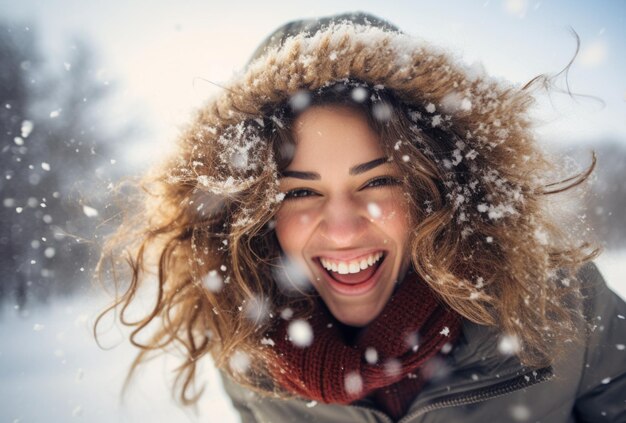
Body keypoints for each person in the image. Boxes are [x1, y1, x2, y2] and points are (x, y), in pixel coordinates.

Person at [97, 12, 626, 422]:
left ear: (435, 189)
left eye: (376, 181)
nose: (344, 227)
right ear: (252, 216)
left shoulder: (563, 307)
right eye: (300, 193)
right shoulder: (246, 346)